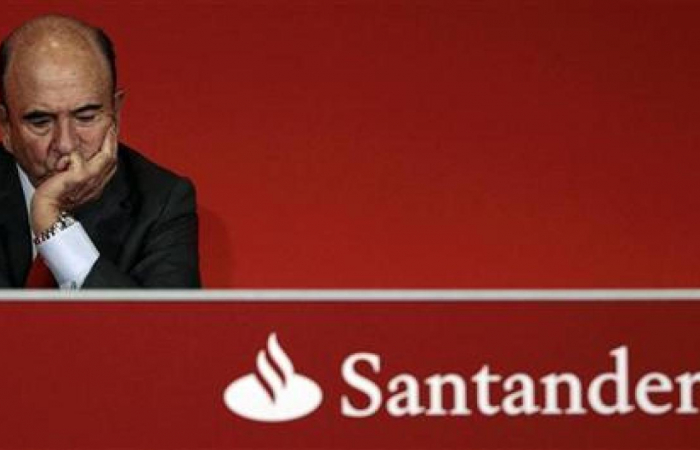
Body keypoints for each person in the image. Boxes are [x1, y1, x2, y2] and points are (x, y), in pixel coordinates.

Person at [0, 15, 200, 288]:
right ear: (5, 127)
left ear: (115, 113)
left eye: (86, 117)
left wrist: (54, 229)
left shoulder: (160, 201)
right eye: (41, 122)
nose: (66, 144)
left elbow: (161, 317)